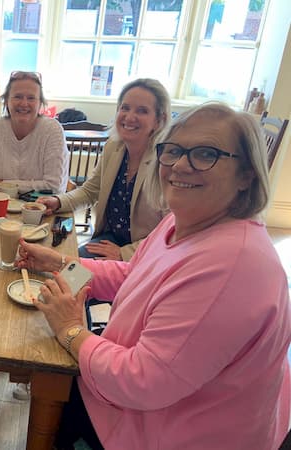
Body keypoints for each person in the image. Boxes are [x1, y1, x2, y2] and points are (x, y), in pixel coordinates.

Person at [16, 102, 291, 449]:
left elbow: (142, 381)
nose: (179, 165)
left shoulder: (234, 267)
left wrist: (72, 331)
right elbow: (132, 275)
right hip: (138, 401)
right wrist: (58, 263)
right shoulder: (182, 221)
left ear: (247, 174)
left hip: (168, 430)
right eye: (173, 150)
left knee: (50, 390)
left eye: (205, 154)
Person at [38, 78, 171, 261]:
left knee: (73, 273)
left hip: (147, 253)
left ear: (159, 120)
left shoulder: (167, 162)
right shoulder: (114, 147)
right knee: (65, 265)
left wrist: (124, 254)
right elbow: (90, 190)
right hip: (110, 240)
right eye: (125, 108)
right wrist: (58, 202)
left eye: (142, 111)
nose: (129, 117)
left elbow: (171, 230)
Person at [0, 71, 69, 202]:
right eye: (18, 97)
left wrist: (1, 184)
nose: (24, 103)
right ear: (6, 100)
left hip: (40, 212)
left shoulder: (52, 130)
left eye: (31, 98)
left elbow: (55, 186)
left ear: (40, 103)